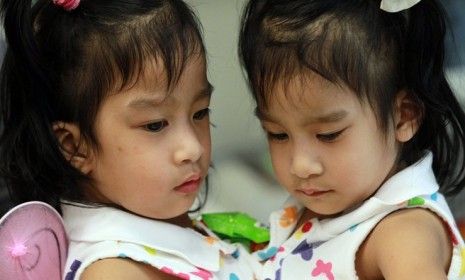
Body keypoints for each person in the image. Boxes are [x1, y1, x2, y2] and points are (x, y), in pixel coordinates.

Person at [0, 0, 259, 279]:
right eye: (155, 125)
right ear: (74, 147)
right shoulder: (114, 271)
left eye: (200, 113)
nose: (192, 148)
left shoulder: (158, 223)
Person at [239, 0, 465, 279]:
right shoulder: (326, 208)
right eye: (278, 134)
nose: (301, 165)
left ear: (403, 117)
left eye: (328, 135)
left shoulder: (403, 231)